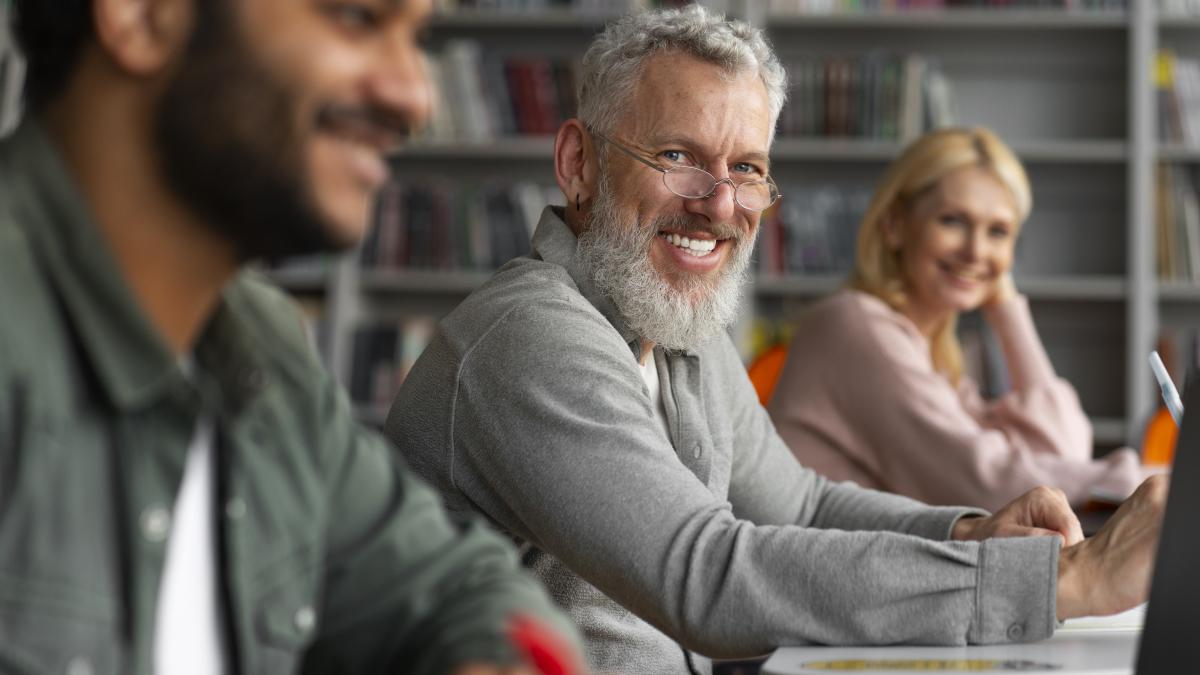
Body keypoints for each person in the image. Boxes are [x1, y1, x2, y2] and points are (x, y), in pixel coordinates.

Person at [385, 6, 1168, 674]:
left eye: (748, 168)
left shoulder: (674, 324)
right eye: (677, 156)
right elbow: (705, 575)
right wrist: (1061, 578)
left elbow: (799, 502)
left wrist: (968, 531)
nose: (719, 203)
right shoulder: (530, 335)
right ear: (579, 165)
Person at [0, 1, 585, 674]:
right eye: (357, 18)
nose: (414, 95)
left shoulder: (259, 350)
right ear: (141, 15)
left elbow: (462, 586)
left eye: (417, 38)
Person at [766, 128, 1148, 512]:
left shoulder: (933, 353)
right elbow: (987, 484)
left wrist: (1006, 307)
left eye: (998, 231)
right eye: (953, 221)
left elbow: (1064, 452)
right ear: (895, 225)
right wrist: (1138, 480)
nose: (976, 251)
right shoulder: (854, 326)